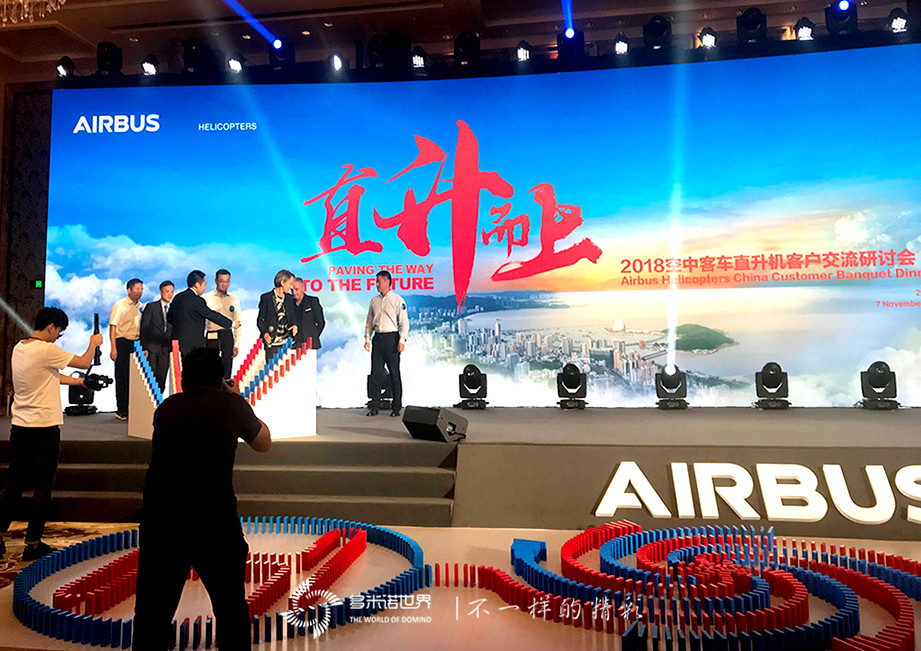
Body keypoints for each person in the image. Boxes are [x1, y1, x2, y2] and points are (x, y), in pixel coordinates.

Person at [133, 347, 270, 651]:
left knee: (151, 614)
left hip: (162, 521)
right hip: (215, 521)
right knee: (231, 610)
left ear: (184, 380)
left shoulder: (166, 408)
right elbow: (264, 442)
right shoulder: (231, 405)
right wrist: (238, 399)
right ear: (221, 380)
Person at [0, 307, 103, 560]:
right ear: (50, 327)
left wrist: (80, 382)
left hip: (20, 427)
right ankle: (33, 544)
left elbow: (49, 376)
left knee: (14, 486)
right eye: (59, 331)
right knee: (42, 487)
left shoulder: (20, 347)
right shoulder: (46, 349)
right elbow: (84, 362)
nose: (58, 336)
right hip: (44, 429)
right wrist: (93, 343)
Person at [364, 270, 408, 417]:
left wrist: (402, 340)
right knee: (375, 374)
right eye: (376, 281)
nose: (376, 284)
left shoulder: (397, 300)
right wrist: (367, 339)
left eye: (379, 281)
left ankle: (396, 407)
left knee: (394, 374)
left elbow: (404, 322)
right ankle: (374, 406)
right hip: (378, 339)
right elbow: (369, 321)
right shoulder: (373, 301)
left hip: (392, 339)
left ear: (387, 281)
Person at [168, 270, 238, 356]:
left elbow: (169, 318)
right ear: (197, 285)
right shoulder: (197, 301)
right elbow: (212, 315)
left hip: (176, 346)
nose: (205, 287)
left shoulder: (177, 297)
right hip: (194, 346)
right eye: (204, 284)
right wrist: (231, 323)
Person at [109, 278, 143, 420]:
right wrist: (113, 348)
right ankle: (121, 409)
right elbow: (113, 326)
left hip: (136, 344)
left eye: (142, 289)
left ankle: (132, 409)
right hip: (122, 342)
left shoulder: (141, 307)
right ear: (129, 290)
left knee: (134, 378)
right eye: (137, 289)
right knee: (122, 377)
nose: (140, 292)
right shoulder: (120, 305)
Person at [204, 269, 242, 380]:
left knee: (227, 367)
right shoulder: (206, 298)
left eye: (227, 281)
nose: (224, 284)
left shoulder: (234, 299)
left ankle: (225, 389)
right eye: (221, 281)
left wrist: (236, 344)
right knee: (211, 367)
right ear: (216, 281)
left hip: (227, 335)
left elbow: (238, 321)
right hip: (211, 335)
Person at [257, 270, 298, 365]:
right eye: (290, 284)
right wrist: (265, 333)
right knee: (272, 370)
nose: (291, 287)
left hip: (287, 343)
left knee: (286, 370)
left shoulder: (289, 299)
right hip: (272, 343)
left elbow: (293, 318)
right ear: (283, 282)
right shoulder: (266, 298)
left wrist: (295, 325)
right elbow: (260, 320)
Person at [139, 281, 174, 391]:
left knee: (161, 380)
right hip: (152, 348)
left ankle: (159, 400)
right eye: (167, 291)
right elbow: (144, 328)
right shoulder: (151, 307)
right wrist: (144, 347)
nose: (170, 294)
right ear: (160, 292)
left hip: (165, 350)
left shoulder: (174, 309)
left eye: (172, 292)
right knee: (150, 379)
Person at [291, 277, 325, 350]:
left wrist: (313, 336)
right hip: (294, 345)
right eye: (292, 290)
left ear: (303, 288)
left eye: (296, 289)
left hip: (310, 345)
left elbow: (321, 322)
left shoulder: (313, 301)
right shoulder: (289, 303)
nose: (294, 292)